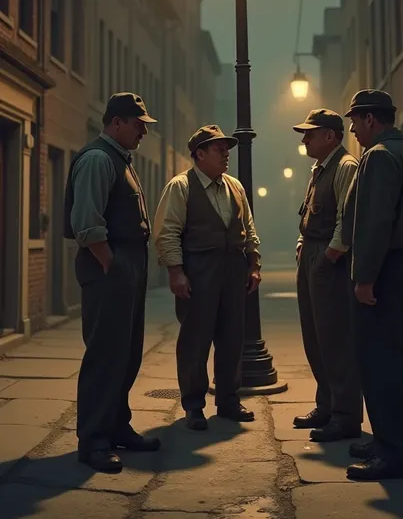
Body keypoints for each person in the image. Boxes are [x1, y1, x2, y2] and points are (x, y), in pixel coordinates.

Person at [63, 93, 161, 473]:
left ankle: (117, 426)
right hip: (110, 267)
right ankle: (94, 440)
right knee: (105, 355)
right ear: (117, 122)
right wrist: (111, 265)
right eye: (138, 125)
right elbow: (87, 222)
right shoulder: (98, 159)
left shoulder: (120, 159)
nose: (143, 132)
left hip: (126, 267)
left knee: (127, 353)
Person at [342, 90, 403, 481]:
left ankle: (391, 451)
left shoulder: (378, 156)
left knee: (381, 361)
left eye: (355, 122)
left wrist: (364, 277)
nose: (353, 130)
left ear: (370, 120)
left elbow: (375, 221)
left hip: (385, 266)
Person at [153, 125, 261, 430]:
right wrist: (176, 271)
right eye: (219, 149)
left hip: (233, 269)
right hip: (198, 270)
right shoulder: (181, 186)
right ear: (199, 154)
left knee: (232, 338)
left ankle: (228, 399)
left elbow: (248, 228)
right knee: (195, 340)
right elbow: (167, 232)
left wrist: (253, 264)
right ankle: (193, 405)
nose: (226, 154)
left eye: (227, 149)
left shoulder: (234, 187)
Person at [292, 109, 362, 441]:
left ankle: (345, 415)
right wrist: (303, 243)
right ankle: (327, 404)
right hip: (313, 255)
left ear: (331, 136)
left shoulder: (345, 166)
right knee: (315, 335)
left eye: (310, 133)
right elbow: (310, 212)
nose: (305, 139)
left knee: (335, 339)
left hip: (328, 261)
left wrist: (330, 256)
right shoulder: (319, 168)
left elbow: (346, 219)